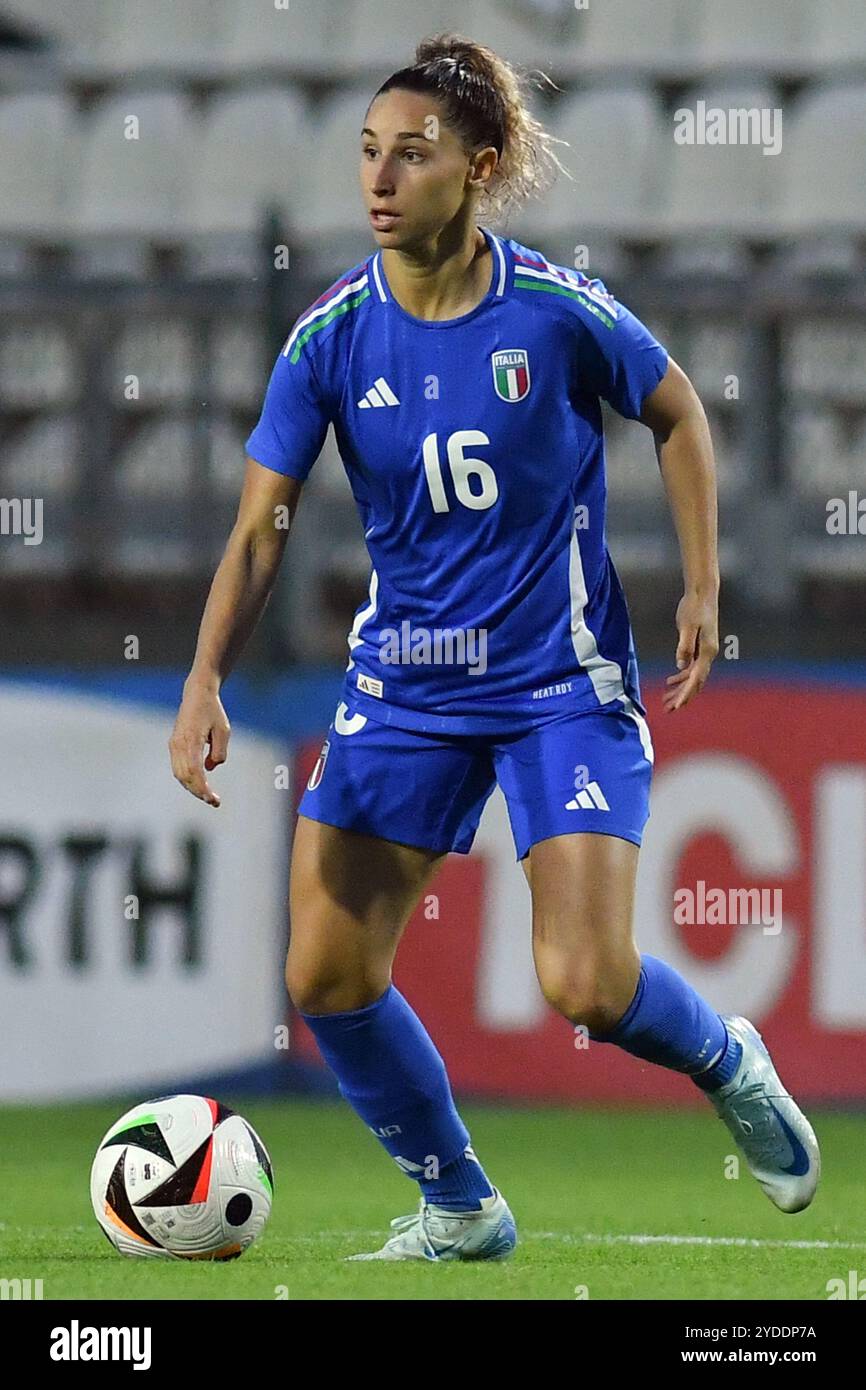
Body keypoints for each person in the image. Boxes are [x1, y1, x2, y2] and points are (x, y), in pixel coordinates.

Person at [170, 33, 820, 1263]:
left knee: (582, 979)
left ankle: (725, 1057)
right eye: (367, 152)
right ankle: (461, 1206)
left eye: (409, 156)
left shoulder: (554, 311)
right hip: (403, 686)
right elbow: (262, 528)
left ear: (473, 170)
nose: (378, 178)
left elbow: (676, 410)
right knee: (324, 976)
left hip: (551, 683)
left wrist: (699, 583)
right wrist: (201, 673)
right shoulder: (326, 340)